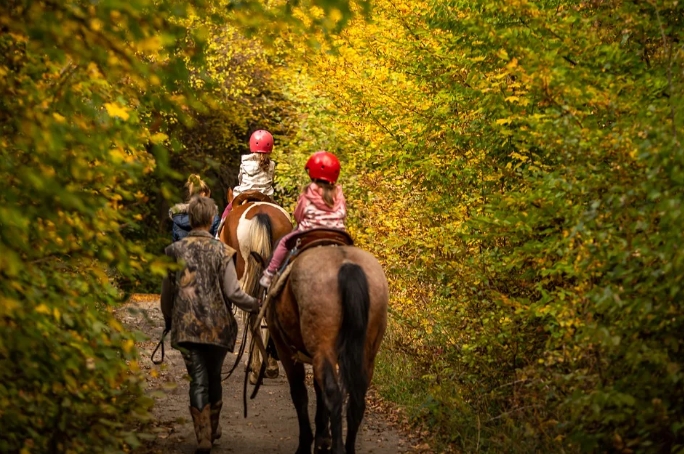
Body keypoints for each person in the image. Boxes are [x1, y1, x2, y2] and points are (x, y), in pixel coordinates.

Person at [160, 196, 260, 452]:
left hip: (186, 327)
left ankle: (203, 435)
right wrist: (255, 304)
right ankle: (213, 427)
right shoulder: (224, 252)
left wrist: (169, 319)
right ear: (211, 220)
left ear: (191, 219)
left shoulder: (174, 252)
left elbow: (167, 294)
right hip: (218, 326)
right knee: (214, 376)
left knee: (198, 380)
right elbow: (233, 293)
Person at [259, 151, 346, 288]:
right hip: (337, 233)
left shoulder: (309, 191)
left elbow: (298, 215)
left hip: (309, 232)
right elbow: (343, 213)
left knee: (283, 243)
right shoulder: (338, 192)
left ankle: (269, 274)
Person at [219, 129, 276, 222]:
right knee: (280, 212)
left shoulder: (245, 162)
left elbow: (240, 179)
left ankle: (218, 233)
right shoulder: (271, 165)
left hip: (245, 194)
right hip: (265, 195)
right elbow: (271, 180)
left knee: (228, 210)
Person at [169, 174, 220, 242]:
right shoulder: (213, 218)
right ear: (203, 194)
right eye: (209, 198)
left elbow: (175, 246)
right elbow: (217, 243)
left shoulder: (177, 218)